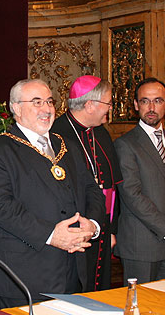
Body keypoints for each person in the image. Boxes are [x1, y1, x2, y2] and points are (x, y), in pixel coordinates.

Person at [0, 79, 105, 309]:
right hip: (24, 277)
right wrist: (51, 235)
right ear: (16, 108)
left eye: (49, 102)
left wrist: (92, 225)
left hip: (73, 270)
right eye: (36, 102)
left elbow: (92, 190)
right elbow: (1, 207)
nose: (46, 109)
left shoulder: (67, 146)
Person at [114, 78, 165, 284]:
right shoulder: (125, 144)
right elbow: (132, 195)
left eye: (157, 101)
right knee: (139, 308)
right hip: (142, 244)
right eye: (145, 101)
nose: (151, 107)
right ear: (136, 105)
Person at [51, 75, 122, 290]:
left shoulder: (101, 133)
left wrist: (110, 229)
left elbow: (113, 189)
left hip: (102, 227)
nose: (110, 109)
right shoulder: (57, 134)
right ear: (90, 105)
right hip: (75, 232)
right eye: (108, 103)